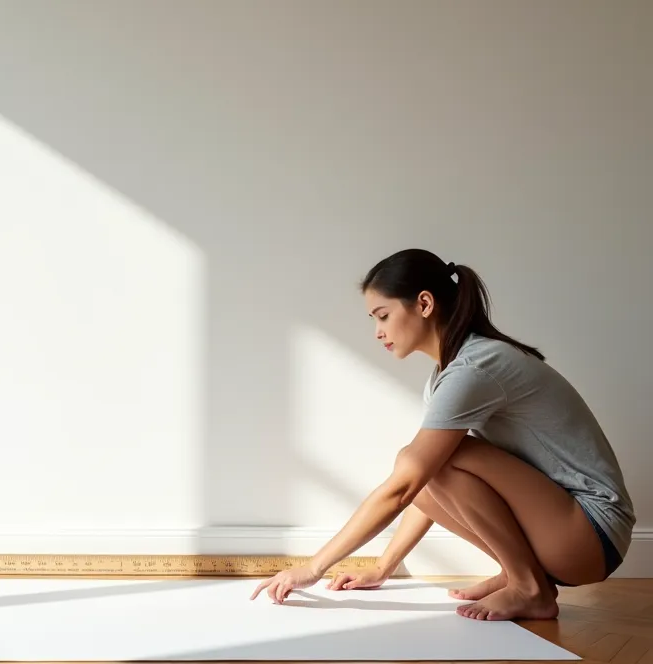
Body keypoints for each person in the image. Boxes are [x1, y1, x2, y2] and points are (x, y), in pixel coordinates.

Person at [250, 248, 634, 621]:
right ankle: (520, 574)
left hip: (592, 532)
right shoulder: (447, 375)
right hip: (567, 532)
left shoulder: (475, 368)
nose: (378, 332)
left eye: (382, 315)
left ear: (424, 303)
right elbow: (426, 488)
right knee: (427, 464)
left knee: (419, 461)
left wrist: (314, 568)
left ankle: (528, 586)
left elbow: (405, 485)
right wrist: (384, 566)